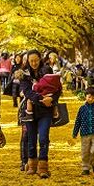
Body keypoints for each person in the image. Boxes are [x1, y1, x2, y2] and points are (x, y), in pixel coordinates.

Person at [21, 49, 60, 178]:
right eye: (31, 61)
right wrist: (41, 99)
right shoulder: (24, 74)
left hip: (46, 111)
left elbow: (58, 89)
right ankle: (32, 164)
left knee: (43, 138)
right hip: (30, 111)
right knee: (31, 139)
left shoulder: (48, 72)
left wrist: (52, 99)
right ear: (28, 61)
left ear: (40, 59)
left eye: (36, 60)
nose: (34, 63)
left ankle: (43, 166)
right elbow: (27, 92)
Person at [72, 86, 94, 175]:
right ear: (85, 97)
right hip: (84, 133)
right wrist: (75, 132)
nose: (91, 99)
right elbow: (78, 121)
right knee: (85, 151)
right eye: (89, 97)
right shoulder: (82, 109)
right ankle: (85, 168)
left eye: (93, 97)